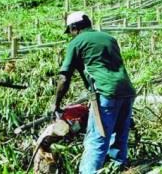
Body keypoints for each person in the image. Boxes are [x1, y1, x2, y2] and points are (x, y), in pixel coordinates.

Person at [54, 11, 135, 173]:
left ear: (74, 28)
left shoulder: (76, 42)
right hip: (127, 90)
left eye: (70, 31)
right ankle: (117, 169)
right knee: (119, 137)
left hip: (105, 93)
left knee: (96, 140)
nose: (71, 35)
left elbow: (64, 78)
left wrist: (55, 104)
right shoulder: (109, 39)